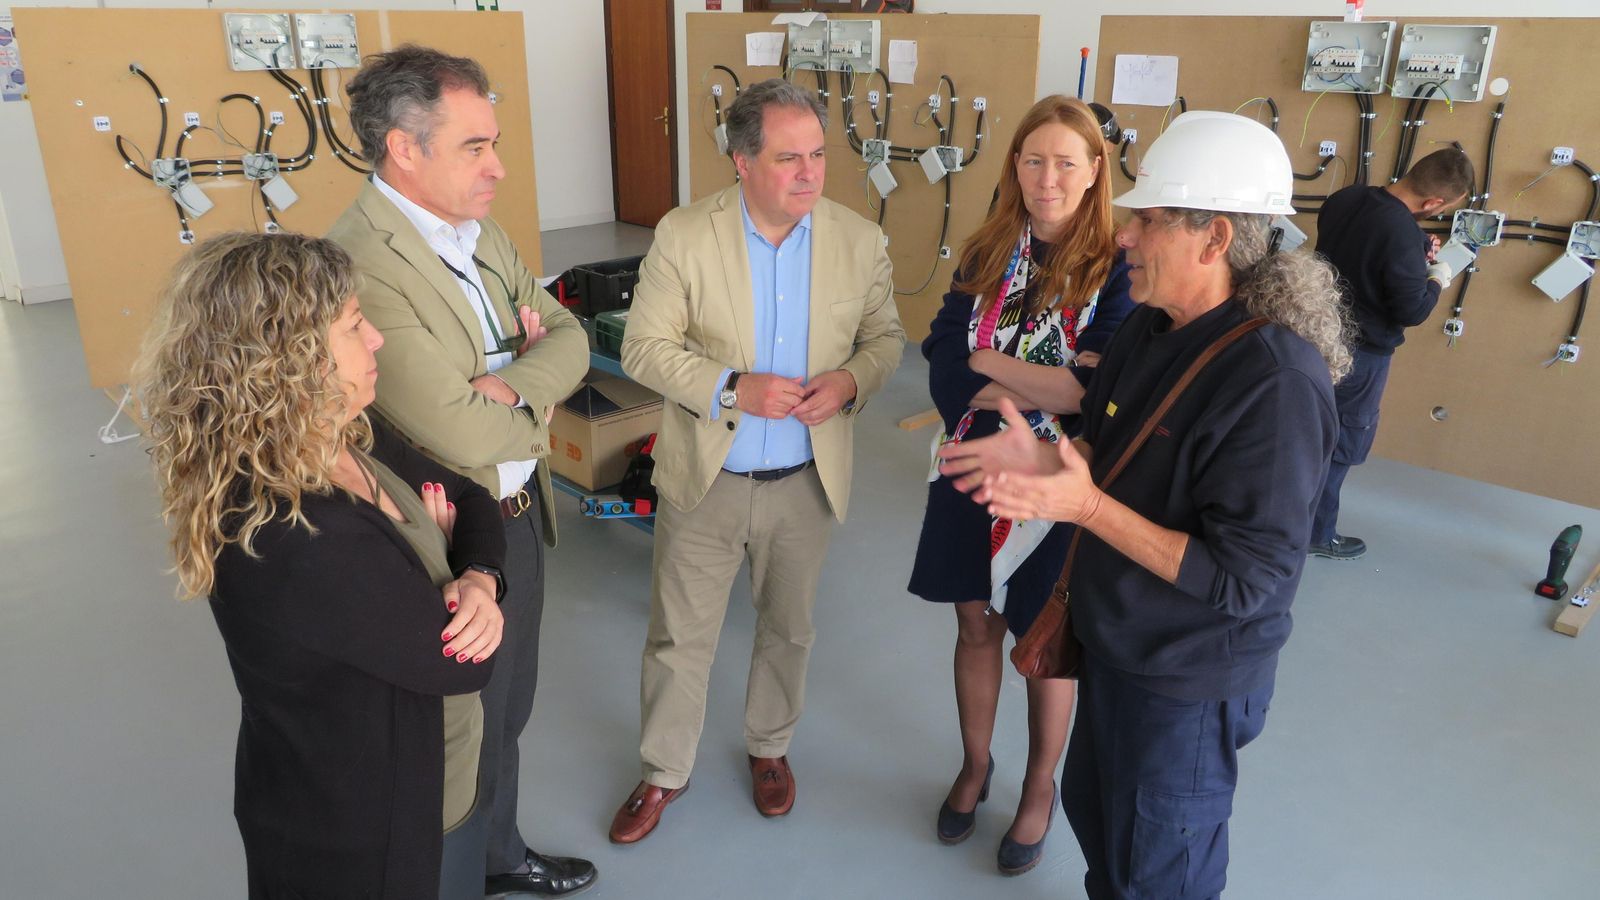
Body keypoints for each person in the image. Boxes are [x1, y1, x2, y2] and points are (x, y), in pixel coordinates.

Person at [937, 111, 1350, 899]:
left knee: (1159, 876)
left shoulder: (1274, 383)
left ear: (1215, 238)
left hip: (1186, 686)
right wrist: (1054, 458)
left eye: (1149, 219)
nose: (1124, 236)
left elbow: (1245, 580)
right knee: (1105, 841)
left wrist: (1084, 508)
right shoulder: (1150, 330)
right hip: (1115, 650)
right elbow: (1101, 440)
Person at [134, 231, 508, 898]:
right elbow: (464, 661)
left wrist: (473, 572)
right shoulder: (296, 531)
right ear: (289, 358)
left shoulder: (346, 433)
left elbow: (474, 496)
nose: (377, 341)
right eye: (355, 325)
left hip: (429, 784)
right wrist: (446, 556)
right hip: (366, 832)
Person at [328, 45, 596, 898]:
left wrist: (510, 381)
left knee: (507, 710)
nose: (499, 167)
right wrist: (533, 381)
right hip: (441, 537)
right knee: (452, 732)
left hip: (514, 514)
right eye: (475, 146)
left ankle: (497, 856)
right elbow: (450, 427)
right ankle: (446, 876)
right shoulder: (361, 263)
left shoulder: (483, 233)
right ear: (405, 148)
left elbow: (575, 336)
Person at [610, 78, 905, 843]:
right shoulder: (684, 234)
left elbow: (885, 342)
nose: (809, 174)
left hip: (805, 482)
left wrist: (848, 382)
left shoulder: (857, 240)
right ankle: (662, 771)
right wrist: (732, 387)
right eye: (787, 159)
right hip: (707, 479)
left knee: (789, 630)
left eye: (817, 155)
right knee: (680, 637)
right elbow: (643, 347)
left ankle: (770, 747)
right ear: (741, 162)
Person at [908, 95, 1132, 876]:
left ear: (1095, 170)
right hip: (971, 467)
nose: (1047, 177)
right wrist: (1035, 379)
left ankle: (1039, 787)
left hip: (1054, 487)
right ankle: (976, 766)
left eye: (1067, 161)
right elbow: (940, 356)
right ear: (1014, 165)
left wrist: (988, 365)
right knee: (975, 627)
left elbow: (1086, 397)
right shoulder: (987, 250)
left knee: (1045, 646)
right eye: (1033, 159)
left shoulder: (1119, 267)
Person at [1308, 147, 1474, 559]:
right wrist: (1436, 278)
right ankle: (1317, 534)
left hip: (1312, 335)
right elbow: (1412, 309)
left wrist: (1415, 246)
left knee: (1303, 431)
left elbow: (1364, 242)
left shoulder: (1345, 199)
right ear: (1435, 203)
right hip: (1361, 354)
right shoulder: (1400, 233)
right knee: (1340, 443)